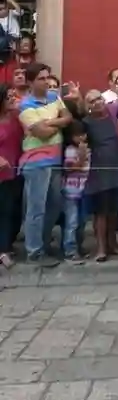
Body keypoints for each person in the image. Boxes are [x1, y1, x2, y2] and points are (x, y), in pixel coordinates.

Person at [18, 62, 72, 266]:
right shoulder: (25, 105)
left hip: (55, 159)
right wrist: (55, 122)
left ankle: (44, 241)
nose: (47, 81)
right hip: (36, 162)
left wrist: (49, 122)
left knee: (54, 205)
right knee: (36, 208)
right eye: (41, 78)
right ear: (31, 82)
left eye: (47, 77)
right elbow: (43, 133)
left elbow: (67, 118)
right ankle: (34, 251)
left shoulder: (53, 97)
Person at [82, 90, 118, 262]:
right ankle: (101, 248)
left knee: (114, 210)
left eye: (98, 98)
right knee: (100, 212)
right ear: (88, 106)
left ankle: (113, 244)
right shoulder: (86, 123)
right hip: (98, 170)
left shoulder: (113, 116)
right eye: (91, 101)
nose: (97, 102)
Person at [0, 83, 24, 268]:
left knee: (16, 211)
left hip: (17, 169)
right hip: (2, 172)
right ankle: (3, 250)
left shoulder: (16, 117)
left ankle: (8, 243)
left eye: (13, 96)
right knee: (4, 211)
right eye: (8, 97)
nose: (11, 100)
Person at [61, 120, 90, 263]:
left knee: (82, 221)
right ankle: (69, 250)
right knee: (71, 222)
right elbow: (70, 168)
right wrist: (82, 156)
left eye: (83, 134)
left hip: (84, 190)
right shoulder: (70, 151)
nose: (81, 138)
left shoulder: (89, 149)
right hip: (71, 192)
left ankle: (79, 246)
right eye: (77, 135)